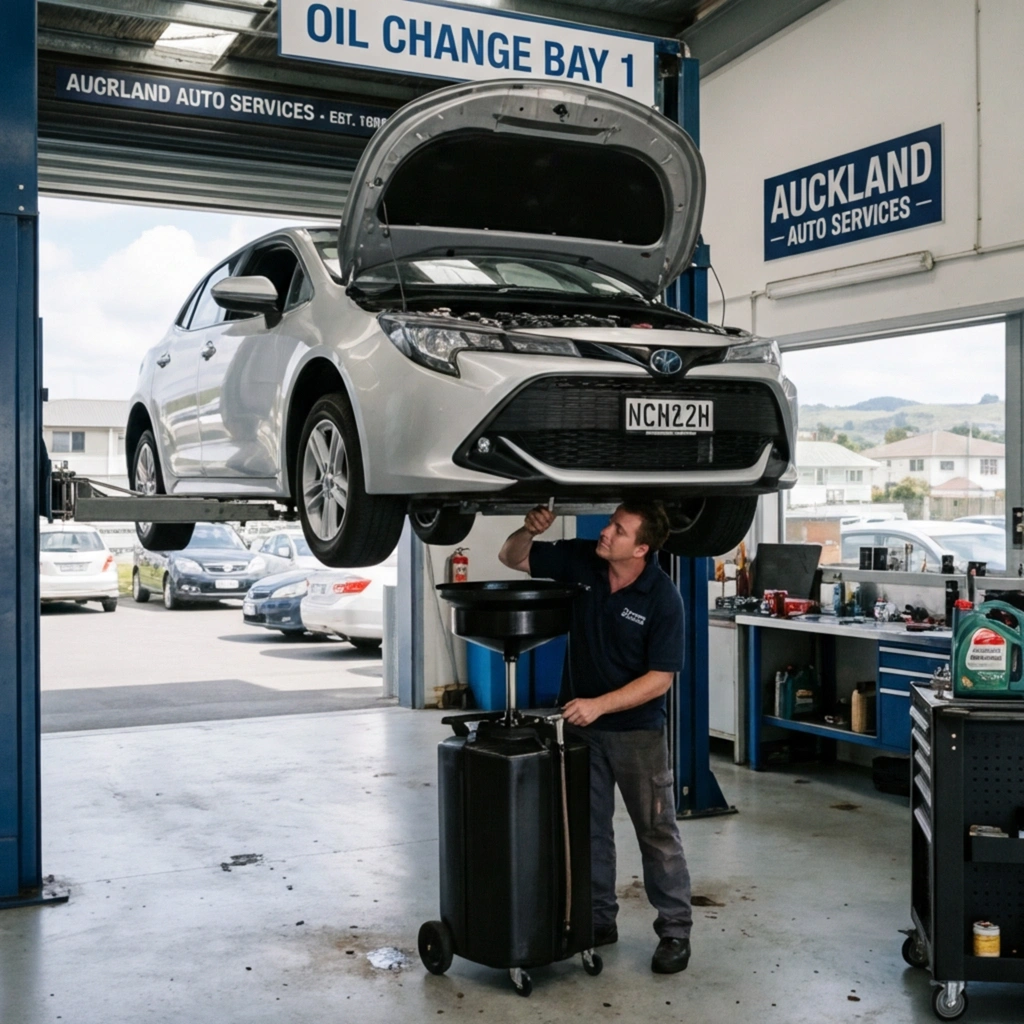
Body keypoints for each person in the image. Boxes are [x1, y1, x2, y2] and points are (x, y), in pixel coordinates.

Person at [498, 500, 693, 974]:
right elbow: (512, 557)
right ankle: (599, 920)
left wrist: (599, 705)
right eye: (610, 524)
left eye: (619, 530)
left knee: (656, 831)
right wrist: (527, 529)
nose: (606, 532)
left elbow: (660, 678)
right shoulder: (585, 558)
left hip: (636, 734)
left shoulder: (662, 598)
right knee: (590, 831)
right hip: (583, 731)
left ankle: (674, 931)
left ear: (642, 548)